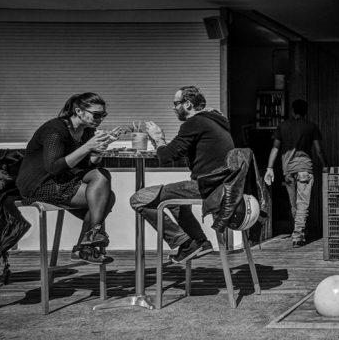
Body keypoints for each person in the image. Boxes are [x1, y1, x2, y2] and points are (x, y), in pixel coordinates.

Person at [130, 86, 233, 264]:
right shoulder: (213, 121)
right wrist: (163, 143)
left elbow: (165, 157)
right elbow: (177, 150)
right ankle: (199, 242)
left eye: (176, 103)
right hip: (220, 184)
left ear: (188, 104)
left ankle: (185, 242)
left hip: (208, 186)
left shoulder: (194, 123)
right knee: (175, 200)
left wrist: (158, 138)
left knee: (139, 199)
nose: (173, 108)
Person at [16, 93, 119, 264]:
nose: (100, 119)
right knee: (106, 198)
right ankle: (86, 246)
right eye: (96, 115)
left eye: (103, 115)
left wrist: (99, 149)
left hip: (64, 179)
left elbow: (85, 165)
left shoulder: (86, 131)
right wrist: (87, 147)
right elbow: (53, 167)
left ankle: (91, 237)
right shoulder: (55, 130)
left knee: (102, 176)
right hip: (39, 184)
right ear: (78, 111)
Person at [264, 99, 325, 247]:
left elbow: (275, 148)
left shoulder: (283, 126)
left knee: (294, 205)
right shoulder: (310, 126)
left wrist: (269, 168)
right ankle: (298, 235)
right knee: (302, 204)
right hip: (304, 168)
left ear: (292, 111)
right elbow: (318, 150)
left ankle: (299, 231)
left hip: (288, 171)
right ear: (306, 111)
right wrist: (325, 165)